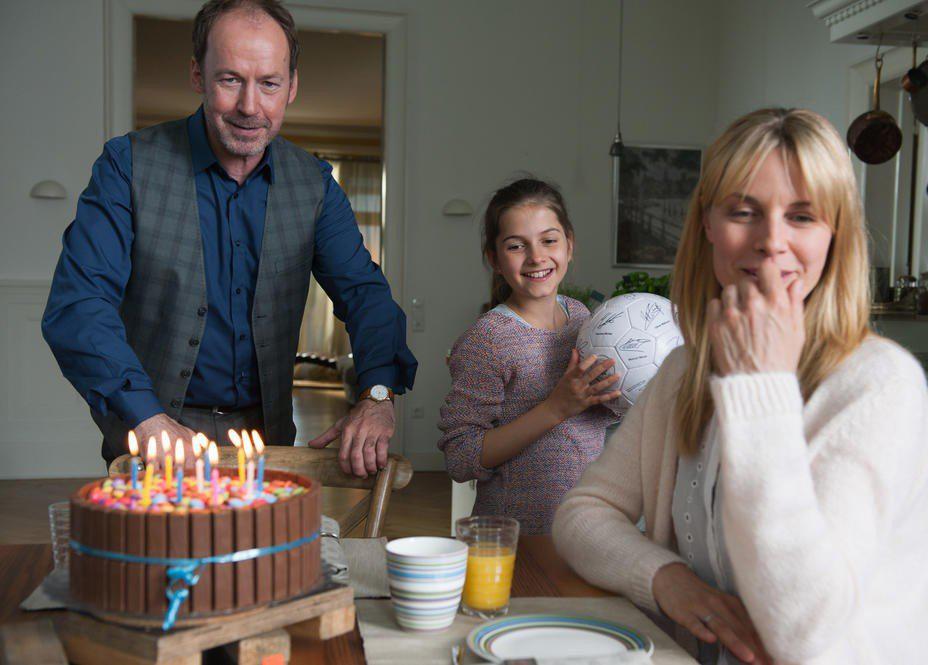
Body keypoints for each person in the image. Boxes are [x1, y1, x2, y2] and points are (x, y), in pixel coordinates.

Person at [552, 109, 928, 664]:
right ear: (707, 224)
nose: (772, 241)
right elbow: (583, 511)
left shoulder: (880, 385)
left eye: (802, 215)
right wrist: (664, 578)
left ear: (835, 233)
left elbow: (802, 633)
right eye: (743, 212)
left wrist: (762, 387)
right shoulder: (684, 371)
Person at [41, 0, 416, 477]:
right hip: (151, 431)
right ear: (198, 75)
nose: (249, 107)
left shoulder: (315, 185)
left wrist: (377, 394)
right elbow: (80, 304)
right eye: (231, 80)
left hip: (268, 439)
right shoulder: (126, 167)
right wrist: (146, 418)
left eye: (269, 83)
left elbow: (364, 294)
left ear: (292, 86)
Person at [437, 178, 619, 535]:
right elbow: (460, 457)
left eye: (549, 240)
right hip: (516, 539)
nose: (536, 257)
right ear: (494, 259)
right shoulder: (487, 339)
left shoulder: (581, 317)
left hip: (586, 530)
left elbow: (593, 421)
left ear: (569, 245)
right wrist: (555, 409)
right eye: (516, 245)